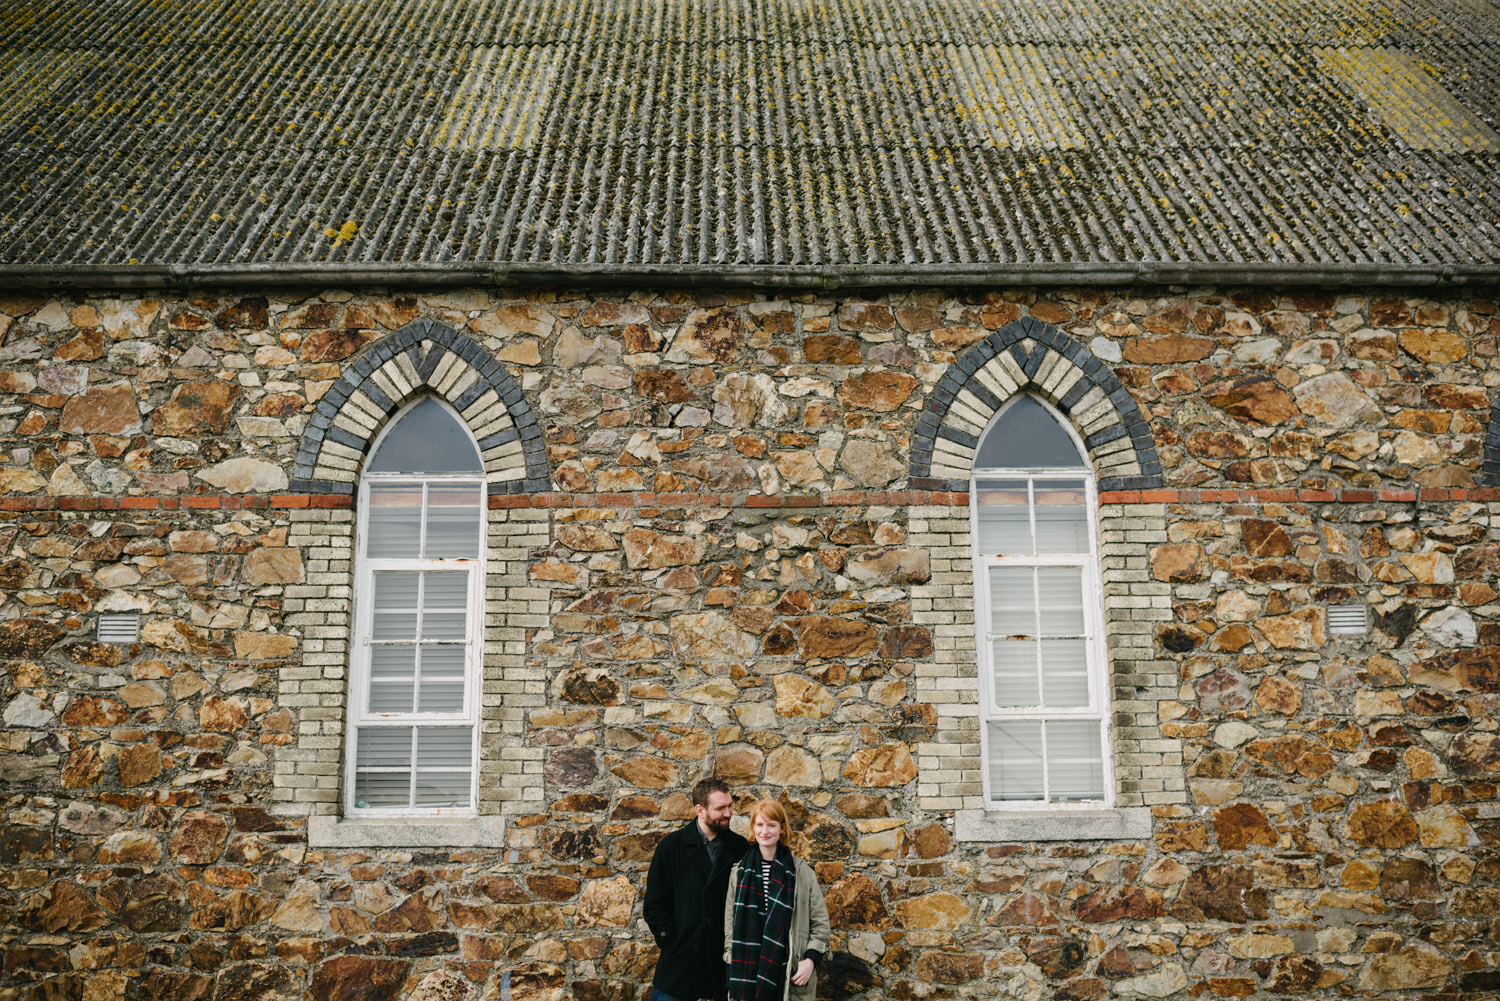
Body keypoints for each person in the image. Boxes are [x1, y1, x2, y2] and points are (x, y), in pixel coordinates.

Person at [644, 778, 750, 1001]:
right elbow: (655, 905)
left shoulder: (741, 849)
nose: (729, 813)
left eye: (730, 805)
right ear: (700, 810)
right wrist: (672, 942)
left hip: (725, 966)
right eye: (720, 808)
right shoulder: (671, 848)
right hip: (680, 965)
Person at [722, 800, 830, 1001]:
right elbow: (730, 932)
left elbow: (821, 925)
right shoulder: (738, 873)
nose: (765, 831)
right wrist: (731, 982)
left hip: (788, 975)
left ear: (782, 829)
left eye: (771, 825)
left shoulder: (802, 873)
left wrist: (810, 960)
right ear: (753, 828)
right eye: (760, 824)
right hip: (746, 976)